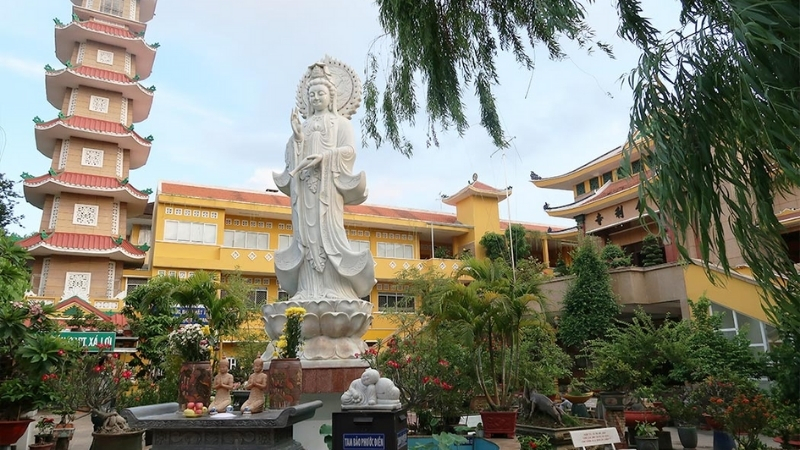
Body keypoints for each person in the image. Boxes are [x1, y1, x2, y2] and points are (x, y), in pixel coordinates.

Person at [273, 61, 375, 302]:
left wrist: (325, 157)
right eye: (312, 94)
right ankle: (308, 288)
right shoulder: (304, 125)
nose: (316, 98)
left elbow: (349, 151)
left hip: (328, 190)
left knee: (327, 233)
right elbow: (293, 159)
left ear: (331, 97)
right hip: (305, 191)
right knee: (306, 236)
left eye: (321, 93)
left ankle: (335, 288)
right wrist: (298, 138)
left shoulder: (341, 124)